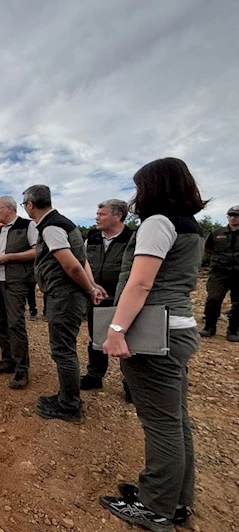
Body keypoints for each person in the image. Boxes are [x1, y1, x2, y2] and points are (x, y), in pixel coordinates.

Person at [99, 157, 206, 531]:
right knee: (176, 420)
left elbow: (141, 283)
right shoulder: (189, 227)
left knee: (160, 423)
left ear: (155, 187)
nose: (136, 195)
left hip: (154, 333)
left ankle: (155, 506)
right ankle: (175, 498)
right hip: (178, 328)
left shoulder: (157, 224)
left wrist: (115, 330)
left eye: (140, 186)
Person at [22, 185, 104, 421]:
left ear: (30, 205)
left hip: (64, 296)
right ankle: (66, 396)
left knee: (63, 351)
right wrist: (91, 284)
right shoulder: (63, 223)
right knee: (64, 349)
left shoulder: (51, 228)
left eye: (24, 205)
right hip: (66, 294)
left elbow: (71, 264)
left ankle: (69, 405)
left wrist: (89, 288)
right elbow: (82, 258)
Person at [81, 199, 134, 395]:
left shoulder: (132, 238)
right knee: (96, 338)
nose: (97, 217)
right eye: (97, 213)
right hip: (96, 297)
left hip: (124, 299)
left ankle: (131, 384)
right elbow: (84, 262)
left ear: (117, 216)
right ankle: (94, 376)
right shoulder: (92, 237)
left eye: (102, 214)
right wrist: (90, 287)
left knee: (128, 341)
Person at [0, 196, 38, 390]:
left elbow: (37, 251)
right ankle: (8, 360)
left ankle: (22, 369)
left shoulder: (28, 226)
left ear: (9, 208)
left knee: (15, 323)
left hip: (15, 282)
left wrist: (9, 257)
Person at [200, 205, 239, 342]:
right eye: (231, 215)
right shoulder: (217, 233)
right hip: (219, 272)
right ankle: (209, 327)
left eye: (236, 215)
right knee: (213, 299)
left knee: (238, 303)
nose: (233, 218)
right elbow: (208, 248)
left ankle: (233, 330)